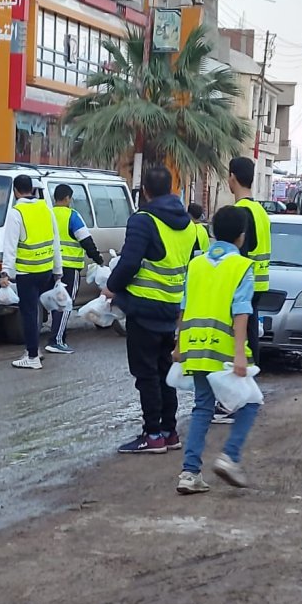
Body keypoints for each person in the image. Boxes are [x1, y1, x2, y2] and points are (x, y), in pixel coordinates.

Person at [103, 165, 197, 454]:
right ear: (171, 189)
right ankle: (169, 432)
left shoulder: (143, 220)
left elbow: (129, 263)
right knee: (163, 370)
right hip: (171, 308)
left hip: (144, 308)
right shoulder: (189, 225)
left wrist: (111, 287)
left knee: (146, 374)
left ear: (144, 191)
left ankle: (152, 434)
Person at [173, 205, 261, 494]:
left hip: (195, 347)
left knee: (202, 408)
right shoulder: (241, 267)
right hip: (224, 350)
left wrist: (178, 345)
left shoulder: (196, 263)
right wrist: (239, 355)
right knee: (250, 402)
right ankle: (229, 457)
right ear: (241, 236)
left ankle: (189, 473)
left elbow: (184, 308)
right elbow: (241, 314)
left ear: (212, 232)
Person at [0, 174, 62, 370]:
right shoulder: (46, 209)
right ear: (33, 189)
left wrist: (5, 273)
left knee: (28, 313)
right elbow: (56, 241)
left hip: (27, 272)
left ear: (16, 191)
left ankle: (33, 356)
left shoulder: (16, 212)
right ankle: (33, 350)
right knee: (35, 311)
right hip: (46, 270)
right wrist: (58, 270)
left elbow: (10, 246)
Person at [47, 184, 105, 355]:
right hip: (69, 268)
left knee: (56, 303)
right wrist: (98, 258)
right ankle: (56, 341)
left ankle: (59, 336)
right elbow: (85, 240)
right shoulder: (72, 215)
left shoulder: (48, 214)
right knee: (65, 304)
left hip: (48, 266)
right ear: (67, 198)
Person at [228, 156, 270, 366]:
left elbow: (239, 254)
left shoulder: (241, 211)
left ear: (232, 177)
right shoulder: (260, 211)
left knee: (239, 335)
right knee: (251, 332)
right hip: (259, 283)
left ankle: (241, 379)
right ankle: (251, 377)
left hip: (244, 285)